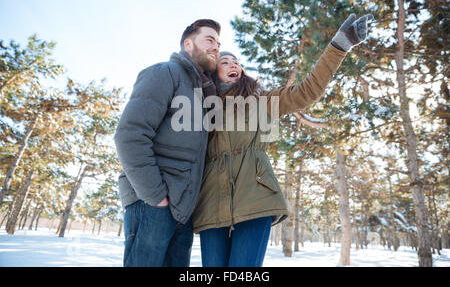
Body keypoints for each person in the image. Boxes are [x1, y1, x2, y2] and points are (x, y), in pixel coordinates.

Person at [192, 13, 374, 267]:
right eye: (225, 61)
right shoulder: (199, 106)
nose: (234, 65)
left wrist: (340, 45)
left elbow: (307, 91)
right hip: (211, 202)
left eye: (236, 62)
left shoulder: (261, 101)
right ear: (213, 71)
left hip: (257, 196)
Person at [114, 19, 221, 267]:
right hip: (152, 203)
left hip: (182, 211)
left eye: (218, 43)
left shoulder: (202, 94)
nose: (216, 47)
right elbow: (130, 135)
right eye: (209, 40)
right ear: (187, 44)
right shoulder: (165, 72)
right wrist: (156, 197)